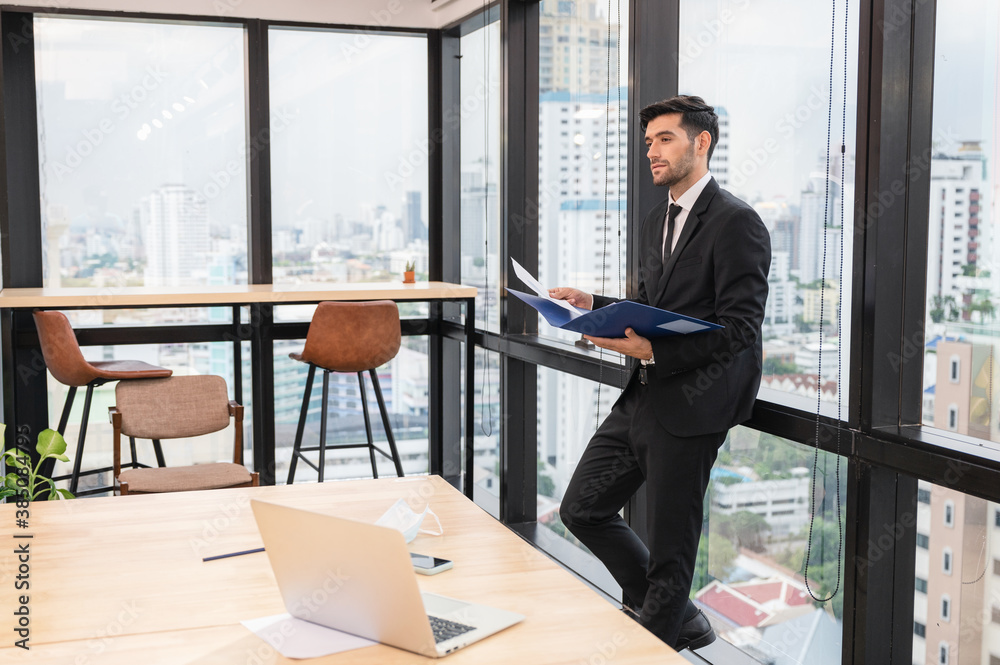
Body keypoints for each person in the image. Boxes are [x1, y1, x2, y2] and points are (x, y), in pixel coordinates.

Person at [550, 95, 771, 650]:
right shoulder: (657, 220)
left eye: (665, 138)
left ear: (702, 142)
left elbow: (740, 329)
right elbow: (653, 304)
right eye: (649, 140)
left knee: (673, 548)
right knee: (582, 507)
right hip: (643, 394)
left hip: (695, 404)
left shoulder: (737, 222)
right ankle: (677, 617)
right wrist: (592, 302)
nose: (652, 150)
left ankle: (656, 637)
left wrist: (655, 353)